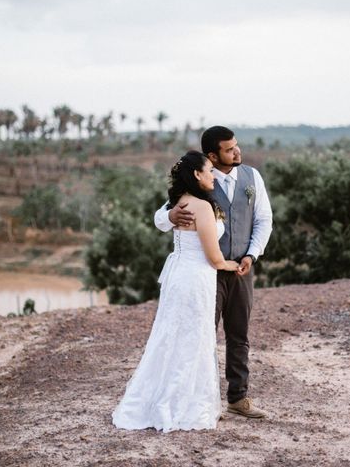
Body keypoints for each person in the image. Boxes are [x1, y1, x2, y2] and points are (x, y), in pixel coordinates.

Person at [112, 151, 239, 432]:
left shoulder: (181, 199)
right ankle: (184, 404)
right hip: (196, 278)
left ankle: (161, 399)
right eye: (208, 171)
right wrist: (233, 265)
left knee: (172, 334)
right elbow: (214, 257)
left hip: (179, 275)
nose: (213, 177)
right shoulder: (199, 208)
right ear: (196, 174)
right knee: (193, 337)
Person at [155, 126, 273, 418]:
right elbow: (160, 217)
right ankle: (203, 400)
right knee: (203, 334)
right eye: (229, 149)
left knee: (239, 334)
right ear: (212, 155)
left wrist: (251, 254)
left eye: (236, 146)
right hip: (207, 273)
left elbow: (264, 220)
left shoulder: (252, 177)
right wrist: (169, 216)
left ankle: (238, 398)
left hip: (241, 269)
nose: (237, 152)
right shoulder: (198, 186)